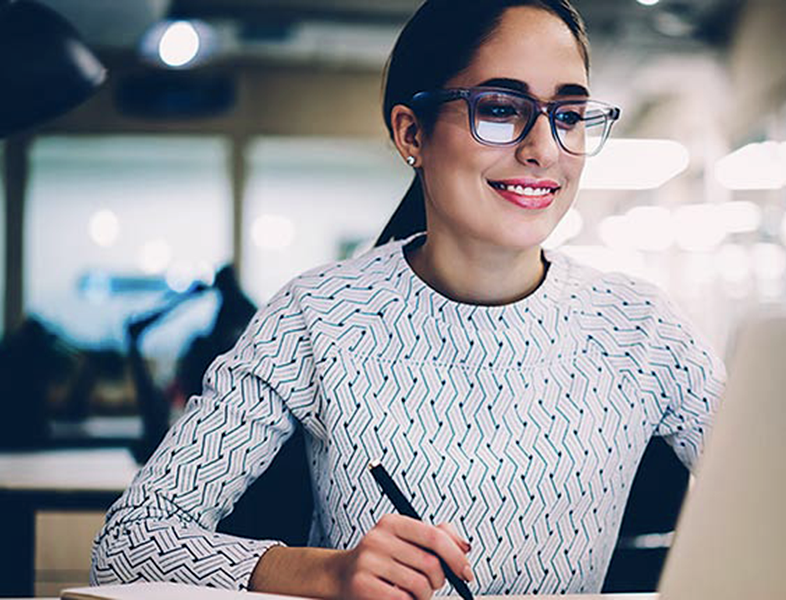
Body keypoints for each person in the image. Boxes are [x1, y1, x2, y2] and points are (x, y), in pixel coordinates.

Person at [90, 0, 726, 598]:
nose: (541, 149)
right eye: (501, 109)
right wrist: (323, 572)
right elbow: (129, 540)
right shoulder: (320, 316)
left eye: (567, 115)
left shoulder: (642, 328)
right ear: (412, 134)